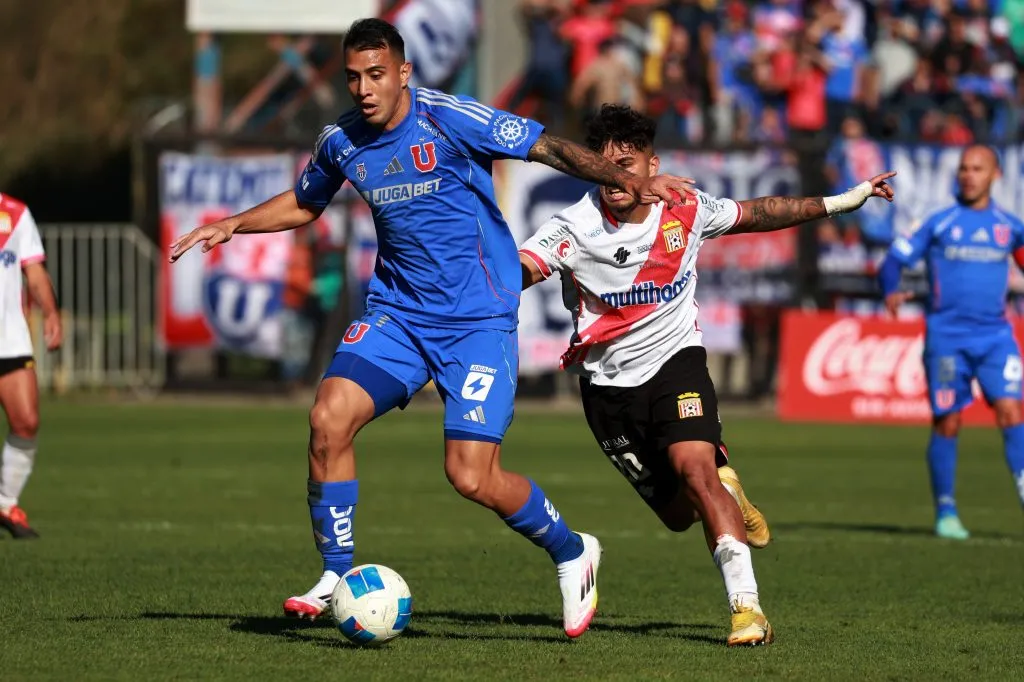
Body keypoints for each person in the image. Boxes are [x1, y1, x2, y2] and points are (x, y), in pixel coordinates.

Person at [169, 19, 695, 639]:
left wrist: (630, 182)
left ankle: (571, 549)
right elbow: (306, 202)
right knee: (327, 419)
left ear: (403, 74)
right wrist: (232, 224)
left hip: (477, 320)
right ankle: (336, 574)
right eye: (353, 77)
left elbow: (548, 148)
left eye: (376, 75)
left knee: (470, 474)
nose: (364, 89)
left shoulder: (450, 118)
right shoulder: (340, 140)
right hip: (398, 315)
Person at [518, 104, 895, 646]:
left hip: (677, 364)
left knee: (695, 469)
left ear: (654, 165)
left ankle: (748, 611)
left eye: (630, 162)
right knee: (677, 514)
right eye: (608, 165)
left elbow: (760, 212)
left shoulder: (685, 208)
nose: (619, 175)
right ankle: (730, 491)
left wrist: (842, 200)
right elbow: (522, 270)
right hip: (606, 391)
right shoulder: (571, 227)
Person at [879, 145, 1024, 540]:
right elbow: (894, 260)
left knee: (1012, 412)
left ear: (995, 175)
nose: (968, 175)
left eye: (977, 169)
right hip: (947, 338)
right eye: (963, 168)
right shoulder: (939, 222)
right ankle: (946, 511)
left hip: (996, 336)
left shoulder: (1009, 226)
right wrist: (891, 289)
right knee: (948, 420)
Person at [0, 192, 61, 539]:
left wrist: (51, 312)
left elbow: (34, 272)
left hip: (9, 340)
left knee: (26, 421)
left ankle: (6, 504)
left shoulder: (14, 213)